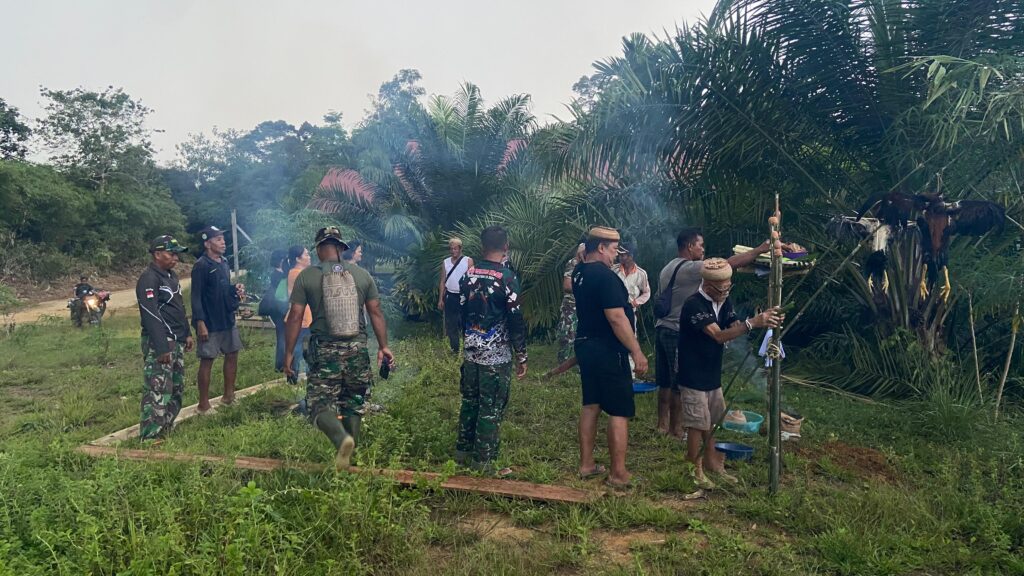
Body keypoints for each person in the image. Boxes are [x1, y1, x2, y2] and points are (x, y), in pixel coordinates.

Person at [284, 226, 395, 468]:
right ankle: (350, 458)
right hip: (357, 350)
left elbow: (295, 316)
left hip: (325, 351)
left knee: (318, 404)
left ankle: (341, 439)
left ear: (319, 249)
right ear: (341, 248)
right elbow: (375, 311)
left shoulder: (307, 276)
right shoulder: (362, 275)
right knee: (353, 402)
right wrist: (383, 346)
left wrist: (289, 353)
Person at [677, 258, 782, 487]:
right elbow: (717, 335)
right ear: (707, 286)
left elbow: (733, 326)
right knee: (697, 423)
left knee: (713, 420)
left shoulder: (723, 301)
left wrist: (764, 321)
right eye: (722, 289)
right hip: (693, 373)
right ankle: (693, 467)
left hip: (711, 373)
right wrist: (753, 323)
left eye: (728, 288)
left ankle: (712, 461)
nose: (726, 293)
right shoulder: (694, 305)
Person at [654, 228, 769, 438]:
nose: (703, 250)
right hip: (677, 332)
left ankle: (662, 425)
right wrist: (760, 250)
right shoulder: (692, 268)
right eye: (701, 245)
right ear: (690, 246)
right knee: (680, 383)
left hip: (661, 328)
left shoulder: (668, 267)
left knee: (664, 381)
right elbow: (726, 265)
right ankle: (677, 430)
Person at [572, 226, 648, 488]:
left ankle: (586, 464)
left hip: (585, 345)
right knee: (619, 410)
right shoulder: (606, 278)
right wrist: (636, 351)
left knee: (591, 403)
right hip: (608, 350)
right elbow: (616, 318)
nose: (616, 256)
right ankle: (618, 473)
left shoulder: (579, 272)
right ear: (601, 248)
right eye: (614, 250)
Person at [455, 225, 528, 475]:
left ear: (482, 246)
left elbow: (461, 311)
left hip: (471, 353)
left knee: (470, 401)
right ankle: (484, 462)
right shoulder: (506, 278)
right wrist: (522, 354)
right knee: (491, 406)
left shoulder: (468, 275)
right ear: (506, 246)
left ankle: (462, 451)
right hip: (495, 357)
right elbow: (516, 318)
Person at [136, 235, 193, 440]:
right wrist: (161, 346)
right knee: (157, 388)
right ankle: (151, 434)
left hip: (176, 339)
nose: (175, 258)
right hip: (161, 342)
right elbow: (150, 314)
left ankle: (166, 426)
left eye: (177, 254)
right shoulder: (149, 279)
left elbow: (178, 307)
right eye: (171, 253)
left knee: (176, 387)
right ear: (157, 254)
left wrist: (186, 332)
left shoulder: (171, 276)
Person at [191, 225, 245, 412]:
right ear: (207, 243)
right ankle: (203, 405)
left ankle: (229, 396)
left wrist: (234, 290)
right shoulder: (201, 265)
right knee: (208, 359)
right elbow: (196, 296)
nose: (223, 242)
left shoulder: (223, 262)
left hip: (226, 318)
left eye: (223, 238)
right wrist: (200, 322)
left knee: (232, 354)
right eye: (218, 239)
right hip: (209, 322)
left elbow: (223, 289)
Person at [614, 242, 650, 378]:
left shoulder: (641, 273)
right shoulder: (614, 270)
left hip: (629, 311)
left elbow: (646, 292)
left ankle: (631, 375)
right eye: (620, 255)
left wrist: (637, 302)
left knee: (630, 340)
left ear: (632, 256)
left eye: (625, 255)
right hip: (614, 310)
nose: (622, 258)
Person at [438, 238, 473, 354]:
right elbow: (442, 281)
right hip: (450, 296)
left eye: (455, 249)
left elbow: (473, 281)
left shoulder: (468, 261)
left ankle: (467, 349)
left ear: (460, 249)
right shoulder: (445, 262)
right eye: (451, 249)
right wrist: (440, 300)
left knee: (465, 323)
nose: (453, 251)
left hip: (464, 297)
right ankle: (455, 350)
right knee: (451, 324)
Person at [285, 245, 313, 378]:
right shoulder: (298, 273)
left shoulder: (294, 272)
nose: (309, 257)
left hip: (302, 315)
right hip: (302, 316)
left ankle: (296, 373)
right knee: (300, 347)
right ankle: (293, 374)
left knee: (300, 346)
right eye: (306, 255)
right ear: (298, 258)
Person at [265, 249, 289, 372]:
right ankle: (280, 365)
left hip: (279, 309)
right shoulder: (277, 275)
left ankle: (282, 365)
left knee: (283, 336)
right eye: (285, 259)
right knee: (282, 337)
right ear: (281, 260)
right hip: (279, 309)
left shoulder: (279, 273)